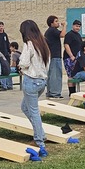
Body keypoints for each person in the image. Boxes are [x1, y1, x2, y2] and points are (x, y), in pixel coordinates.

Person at [18, 20, 50, 158]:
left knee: (34, 111)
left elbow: (24, 62)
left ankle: (40, 141)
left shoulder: (29, 44)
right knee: (25, 107)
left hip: (31, 81)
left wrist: (20, 67)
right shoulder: (43, 43)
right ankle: (41, 133)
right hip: (42, 81)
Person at [44, 16, 66, 98]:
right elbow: (62, 35)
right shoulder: (52, 30)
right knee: (56, 75)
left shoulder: (51, 31)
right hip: (55, 56)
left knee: (52, 75)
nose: (58, 23)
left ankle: (50, 92)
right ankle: (55, 93)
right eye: (56, 21)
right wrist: (65, 26)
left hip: (52, 56)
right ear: (51, 23)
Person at [0, 22, 12, 89]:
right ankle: (3, 85)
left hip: (6, 54)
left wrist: (9, 52)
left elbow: (7, 43)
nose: (1, 27)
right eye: (0, 26)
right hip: (1, 55)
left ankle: (9, 85)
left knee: (8, 68)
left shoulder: (5, 35)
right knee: (3, 69)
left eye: (2, 26)